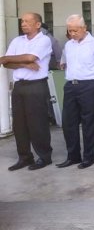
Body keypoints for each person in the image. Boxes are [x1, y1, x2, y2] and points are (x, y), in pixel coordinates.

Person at [57, 14, 94, 169]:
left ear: (84, 28)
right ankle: (73, 156)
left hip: (89, 85)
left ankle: (89, 157)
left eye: (75, 30)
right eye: (70, 30)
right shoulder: (69, 45)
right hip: (71, 85)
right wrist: (62, 64)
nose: (72, 33)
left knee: (88, 122)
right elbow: (64, 60)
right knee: (68, 122)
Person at [2, 12, 53, 171]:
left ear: (38, 24)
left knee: (37, 123)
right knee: (19, 125)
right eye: (22, 21)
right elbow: (5, 63)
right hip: (19, 87)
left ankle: (44, 157)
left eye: (27, 21)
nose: (23, 24)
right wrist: (24, 64)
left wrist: (11, 59)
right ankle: (25, 157)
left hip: (36, 86)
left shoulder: (44, 40)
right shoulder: (17, 41)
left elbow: (31, 57)